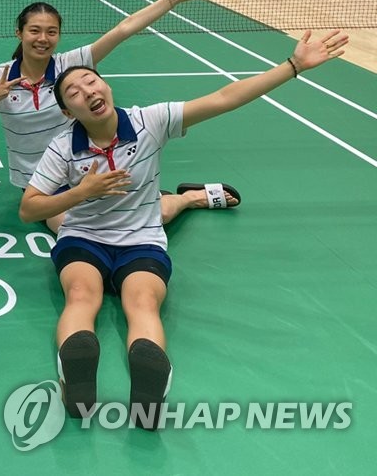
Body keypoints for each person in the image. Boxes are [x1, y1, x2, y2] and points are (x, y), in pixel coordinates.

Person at [19, 29, 347, 430]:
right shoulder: (62, 147)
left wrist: (292, 66)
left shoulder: (149, 121)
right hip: (88, 237)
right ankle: (99, 379)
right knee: (95, 296)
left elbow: (225, 98)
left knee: (117, 300)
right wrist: (81, 192)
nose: (86, 90)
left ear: (105, 85)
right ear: (69, 112)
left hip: (138, 237)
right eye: (73, 92)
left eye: (91, 80)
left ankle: (113, 377)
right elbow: (28, 208)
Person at [0, 0, 239, 233]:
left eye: (51, 32)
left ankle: (188, 198)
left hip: (90, 167)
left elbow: (124, 29)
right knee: (72, 227)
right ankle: (168, 198)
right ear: (20, 33)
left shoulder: (72, 66)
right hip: (44, 183)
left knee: (152, 219)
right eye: (34, 30)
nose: (43, 39)